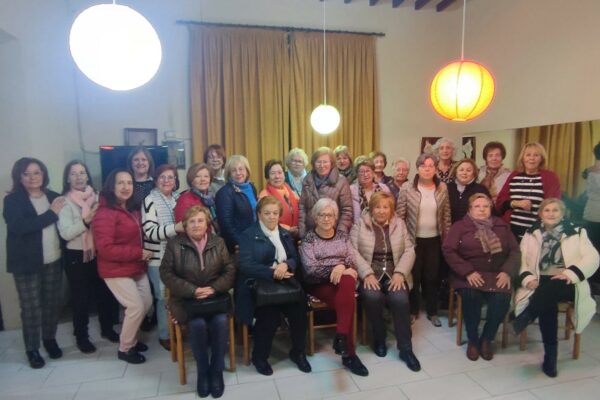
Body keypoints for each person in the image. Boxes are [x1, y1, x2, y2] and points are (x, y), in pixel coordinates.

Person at [512, 198, 599, 377]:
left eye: (555, 210)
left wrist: (570, 274)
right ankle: (550, 357)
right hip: (540, 279)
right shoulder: (531, 233)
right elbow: (521, 260)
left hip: (568, 280)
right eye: (547, 210)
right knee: (547, 303)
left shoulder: (577, 232)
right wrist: (528, 278)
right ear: (540, 214)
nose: (551, 214)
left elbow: (592, 258)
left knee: (549, 291)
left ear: (562, 213)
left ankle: (528, 315)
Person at [160, 205, 235, 398]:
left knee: (220, 321)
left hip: (215, 298)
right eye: (191, 221)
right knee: (197, 324)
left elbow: (230, 269)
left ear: (207, 223)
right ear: (185, 225)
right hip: (186, 300)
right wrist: (192, 290)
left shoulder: (218, 242)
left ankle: (216, 371)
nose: (196, 225)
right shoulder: (174, 244)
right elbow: (166, 273)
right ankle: (203, 371)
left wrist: (214, 288)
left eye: (200, 220)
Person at [237, 196, 311, 376]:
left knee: (299, 311)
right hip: (259, 285)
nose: (271, 217)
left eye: (275, 213)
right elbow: (246, 265)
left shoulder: (284, 233)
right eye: (267, 213)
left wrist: (286, 265)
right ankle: (260, 357)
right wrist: (273, 272)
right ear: (259, 214)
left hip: (285, 282)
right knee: (269, 315)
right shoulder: (248, 235)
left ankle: (298, 352)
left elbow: (294, 258)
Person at [3, 157, 66, 369]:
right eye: (26, 174)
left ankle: (49, 339)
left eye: (36, 172)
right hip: (26, 264)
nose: (32, 177)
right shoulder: (12, 201)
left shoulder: (53, 196)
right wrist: (51, 214)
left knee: (52, 304)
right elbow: (20, 227)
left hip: (54, 259)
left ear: (43, 174)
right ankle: (32, 349)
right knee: (31, 308)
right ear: (19, 177)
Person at [442, 193, 520, 361]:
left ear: (491, 208)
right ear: (470, 209)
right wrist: (468, 271)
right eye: (477, 206)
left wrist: (507, 271)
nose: (482, 209)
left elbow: (515, 251)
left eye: (485, 206)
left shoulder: (502, 226)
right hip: (468, 274)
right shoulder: (460, 226)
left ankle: (487, 338)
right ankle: (473, 339)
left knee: (501, 299)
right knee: (471, 296)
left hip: (497, 274)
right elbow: (448, 250)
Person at [350, 192, 421, 371]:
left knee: (400, 299)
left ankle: (406, 349)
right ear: (371, 208)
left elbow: (410, 250)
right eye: (377, 207)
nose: (381, 211)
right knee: (372, 297)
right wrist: (366, 274)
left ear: (391, 209)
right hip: (369, 273)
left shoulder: (400, 224)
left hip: (394, 273)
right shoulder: (360, 224)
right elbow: (352, 251)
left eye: (385, 207)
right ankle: (379, 338)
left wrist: (400, 273)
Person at [300, 198, 369, 377]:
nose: (326, 219)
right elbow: (311, 269)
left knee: (347, 284)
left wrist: (343, 268)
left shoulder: (342, 236)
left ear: (335, 217)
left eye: (330, 215)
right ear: (315, 217)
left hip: (342, 284)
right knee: (348, 297)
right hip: (318, 285)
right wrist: (337, 268)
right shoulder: (308, 239)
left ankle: (342, 338)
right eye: (322, 215)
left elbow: (352, 261)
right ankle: (349, 354)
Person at [57, 160, 119, 354]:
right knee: (81, 299)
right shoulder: (64, 201)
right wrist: (86, 221)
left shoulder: (98, 196)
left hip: (99, 252)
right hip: (77, 255)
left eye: (82, 172)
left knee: (104, 294)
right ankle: (81, 337)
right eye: (74, 173)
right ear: (68, 178)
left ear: (87, 176)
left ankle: (107, 329)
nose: (79, 177)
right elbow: (66, 233)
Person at [93, 169, 154, 364]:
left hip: (135, 266)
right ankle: (125, 348)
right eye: (120, 183)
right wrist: (138, 253)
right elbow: (105, 249)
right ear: (111, 186)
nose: (126, 187)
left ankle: (132, 339)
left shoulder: (132, 208)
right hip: (115, 269)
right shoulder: (105, 212)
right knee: (135, 307)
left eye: (129, 183)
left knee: (146, 303)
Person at [396, 153, 451, 326]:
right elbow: (400, 216)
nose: (427, 169)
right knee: (414, 276)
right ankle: (413, 310)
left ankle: (432, 312)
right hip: (413, 241)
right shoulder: (407, 187)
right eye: (423, 166)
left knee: (432, 276)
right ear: (417, 168)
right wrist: (402, 241)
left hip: (434, 240)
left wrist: (447, 238)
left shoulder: (442, 187)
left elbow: (446, 215)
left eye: (431, 166)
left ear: (435, 168)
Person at [141, 164, 184, 351]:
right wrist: (176, 228)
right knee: (162, 298)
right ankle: (164, 335)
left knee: (177, 295)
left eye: (170, 177)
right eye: (162, 177)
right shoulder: (149, 200)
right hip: (158, 258)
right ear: (156, 180)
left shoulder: (178, 198)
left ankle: (177, 330)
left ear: (175, 180)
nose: (167, 181)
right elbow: (150, 232)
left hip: (178, 256)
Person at [496, 142, 561, 241]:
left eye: (536, 155)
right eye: (528, 155)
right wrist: (515, 203)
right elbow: (500, 203)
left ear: (541, 159)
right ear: (523, 158)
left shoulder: (550, 177)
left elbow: (554, 206)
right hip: (511, 232)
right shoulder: (514, 175)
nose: (532, 158)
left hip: (537, 233)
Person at [298, 147, 353, 238]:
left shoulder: (341, 181)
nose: (322, 165)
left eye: (325, 162)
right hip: (310, 233)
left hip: (332, 233)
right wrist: (302, 232)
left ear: (331, 163)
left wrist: (340, 234)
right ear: (313, 163)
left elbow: (347, 210)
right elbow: (302, 207)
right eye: (318, 162)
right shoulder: (307, 180)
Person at [215, 155, 258, 252]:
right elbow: (226, 225)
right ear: (229, 174)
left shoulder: (251, 187)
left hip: (254, 239)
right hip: (238, 246)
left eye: (241, 169)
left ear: (247, 171)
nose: (238, 173)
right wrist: (241, 243)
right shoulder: (224, 193)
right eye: (234, 170)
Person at [258, 160, 299, 236]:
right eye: (273, 173)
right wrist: (288, 229)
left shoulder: (288, 189)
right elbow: (265, 221)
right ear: (267, 178)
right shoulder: (264, 196)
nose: (277, 176)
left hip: (294, 234)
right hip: (276, 235)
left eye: (280, 172)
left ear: (284, 175)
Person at [174, 163, 218, 233]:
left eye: (206, 176)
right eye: (197, 176)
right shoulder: (184, 200)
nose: (203, 179)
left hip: (212, 237)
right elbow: (183, 228)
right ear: (191, 180)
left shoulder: (210, 198)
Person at [447, 159, 491, 223]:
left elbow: (490, 212)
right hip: (449, 227)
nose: (464, 173)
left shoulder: (481, 190)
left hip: (473, 227)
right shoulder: (446, 188)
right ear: (456, 172)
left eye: (468, 170)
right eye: (461, 170)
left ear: (474, 173)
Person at [350, 158, 390, 222]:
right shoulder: (351, 190)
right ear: (357, 174)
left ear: (373, 173)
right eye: (362, 172)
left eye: (368, 171)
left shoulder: (384, 188)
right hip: (358, 226)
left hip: (382, 226)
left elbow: (390, 210)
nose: (365, 175)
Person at [582, 142, 600, 286]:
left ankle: (592, 282)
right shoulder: (593, 172)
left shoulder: (589, 170)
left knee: (593, 249)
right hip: (595, 215)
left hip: (590, 213)